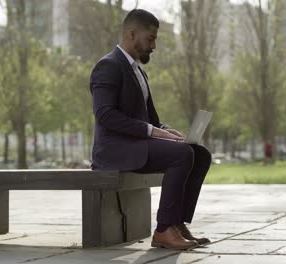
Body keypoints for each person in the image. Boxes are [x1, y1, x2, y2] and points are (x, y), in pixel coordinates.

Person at [89, 9, 212, 250]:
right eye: (150, 38)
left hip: (136, 144)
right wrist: (154, 132)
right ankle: (164, 230)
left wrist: (172, 133)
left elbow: (152, 121)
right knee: (181, 155)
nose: (154, 45)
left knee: (199, 154)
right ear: (132, 34)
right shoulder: (108, 66)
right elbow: (105, 115)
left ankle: (176, 223)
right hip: (114, 151)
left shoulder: (139, 72)